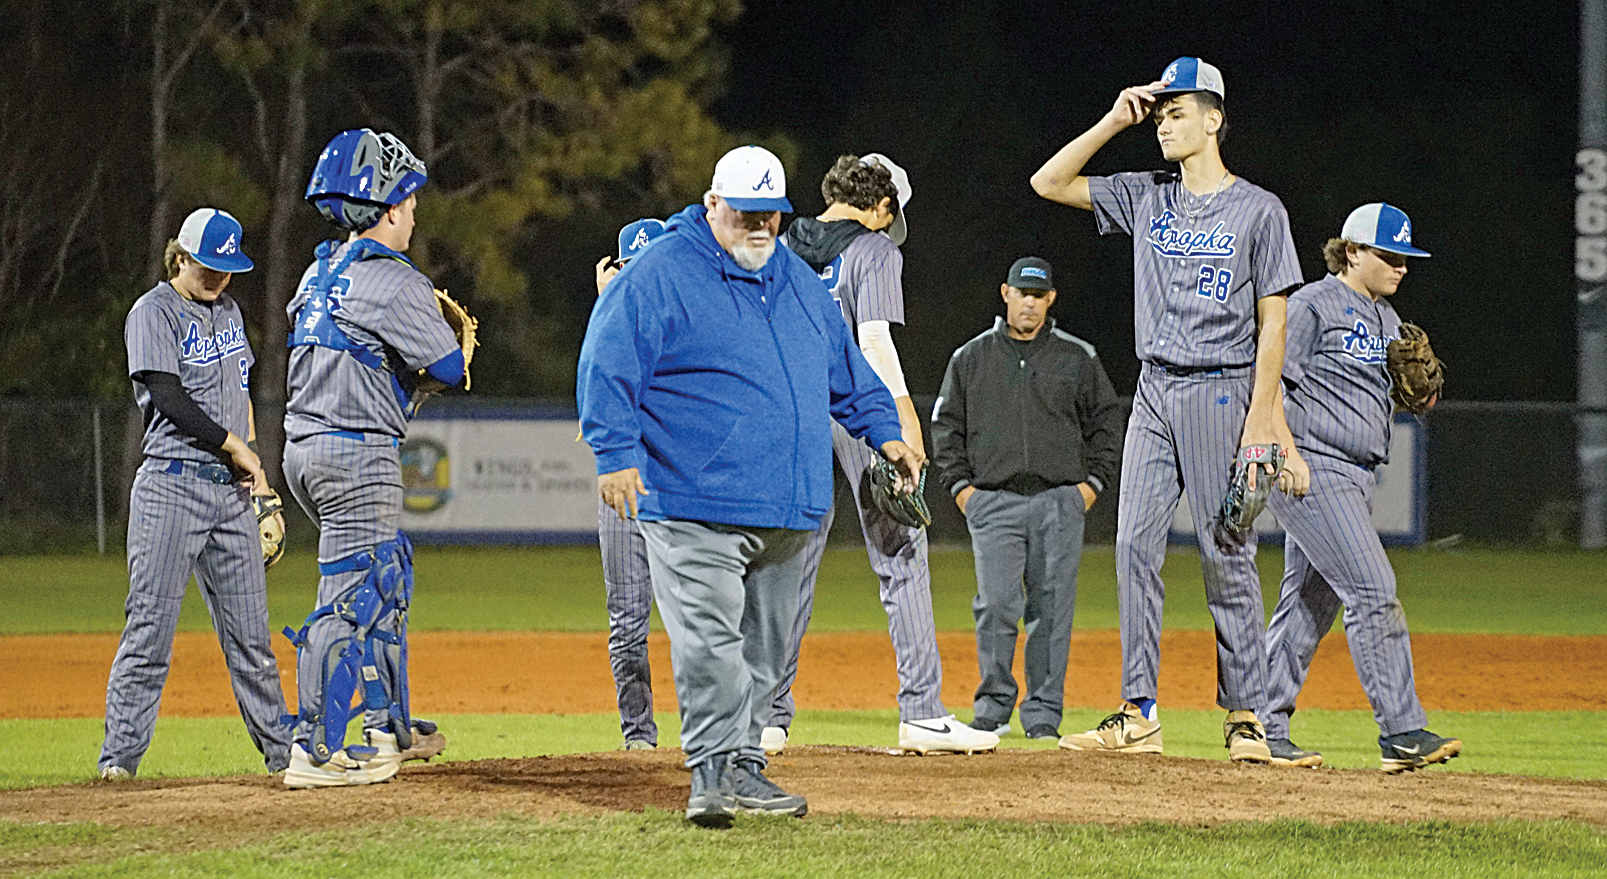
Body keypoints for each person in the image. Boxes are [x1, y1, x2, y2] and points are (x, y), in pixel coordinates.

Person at [577, 145, 923, 827]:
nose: (758, 229)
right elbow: (606, 355)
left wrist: (886, 431)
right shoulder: (660, 272)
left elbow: (847, 371)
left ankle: (743, 766)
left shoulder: (795, 279)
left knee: (765, 653)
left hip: (788, 505)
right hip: (690, 502)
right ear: (712, 206)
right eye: (743, 216)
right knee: (710, 643)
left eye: (770, 216)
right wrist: (614, 450)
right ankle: (709, 773)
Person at [1030, 57, 1310, 763]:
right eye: (1159, 113)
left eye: (1177, 111)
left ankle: (1245, 716)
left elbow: (1272, 321)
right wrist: (1112, 120)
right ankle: (1137, 710)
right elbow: (1048, 181)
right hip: (1154, 387)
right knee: (1131, 545)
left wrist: (1261, 415)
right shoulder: (1144, 195)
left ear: (1214, 119)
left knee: (1226, 552)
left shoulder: (1259, 210)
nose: (1163, 122)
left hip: (1222, 388)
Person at [766, 154, 999, 756]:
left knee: (789, 558)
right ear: (884, 206)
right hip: (853, 405)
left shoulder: (781, 241)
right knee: (901, 549)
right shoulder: (875, 250)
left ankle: (765, 717)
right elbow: (871, 339)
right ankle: (921, 712)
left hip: (786, 409)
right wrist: (901, 415)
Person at [280, 128, 466, 788]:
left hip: (306, 448)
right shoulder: (391, 278)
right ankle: (316, 751)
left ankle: (386, 729)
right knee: (351, 599)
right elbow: (448, 363)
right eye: (409, 199)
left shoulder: (319, 269)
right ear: (386, 206)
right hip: (355, 453)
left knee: (383, 580)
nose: (413, 211)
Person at [1261, 203, 1462, 773]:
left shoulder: (1387, 318)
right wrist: (1288, 455)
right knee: (1374, 590)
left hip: (1357, 474)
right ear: (1351, 251)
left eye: (1405, 257)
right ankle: (1401, 731)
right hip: (1313, 469)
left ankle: (1262, 727)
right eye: (1389, 255)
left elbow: (1396, 391)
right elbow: (1270, 379)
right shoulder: (1311, 306)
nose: (1400, 266)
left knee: (1308, 602)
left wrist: (1419, 396)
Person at [99, 207, 290, 781]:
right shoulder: (152, 312)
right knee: (150, 630)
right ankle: (119, 763)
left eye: (228, 269)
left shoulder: (229, 310)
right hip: (171, 488)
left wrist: (254, 468)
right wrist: (235, 444)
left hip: (231, 496)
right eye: (208, 267)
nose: (219, 279)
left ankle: (285, 757)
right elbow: (167, 396)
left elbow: (241, 391)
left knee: (253, 642)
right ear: (179, 257)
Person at [931, 257, 1123, 741]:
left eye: (1039, 296)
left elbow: (1108, 425)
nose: (1030, 304)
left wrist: (1091, 486)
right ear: (1006, 294)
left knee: (1052, 611)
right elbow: (946, 428)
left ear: (1050, 300)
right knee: (995, 606)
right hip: (992, 503)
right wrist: (963, 491)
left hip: (1059, 501)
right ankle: (993, 707)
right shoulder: (970, 357)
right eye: (1023, 294)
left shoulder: (1077, 356)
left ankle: (1042, 716)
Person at [593, 217, 668, 750]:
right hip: (623, 493)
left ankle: (718, 736)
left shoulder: (686, 322)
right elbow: (599, 385)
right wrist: (607, 309)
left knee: (701, 620)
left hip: (678, 490)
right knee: (628, 623)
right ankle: (638, 736)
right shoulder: (609, 327)